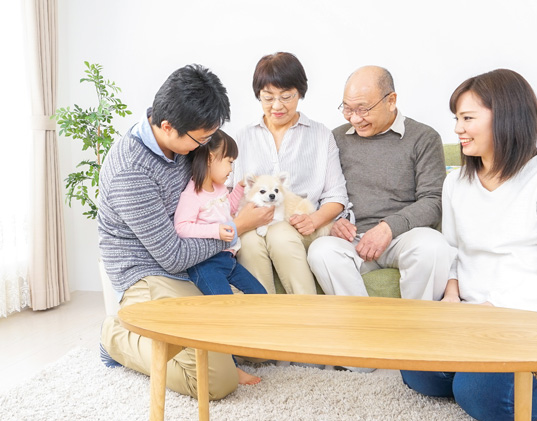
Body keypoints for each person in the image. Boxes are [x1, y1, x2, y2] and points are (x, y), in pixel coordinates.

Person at [400, 68, 537, 421]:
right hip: (477, 316)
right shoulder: (456, 182)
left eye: (468, 118)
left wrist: (492, 309)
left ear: (505, 118)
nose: (457, 128)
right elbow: (453, 250)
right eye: (456, 118)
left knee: (481, 398)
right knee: (416, 372)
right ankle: (492, 374)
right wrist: (452, 299)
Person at [98, 64, 273, 399]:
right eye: (201, 139)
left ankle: (182, 339)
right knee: (219, 383)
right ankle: (116, 336)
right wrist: (236, 228)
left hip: (195, 264)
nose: (204, 146)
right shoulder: (130, 171)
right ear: (167, 126)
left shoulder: (182, 144)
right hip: (148, 273)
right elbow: (172, 256)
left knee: (260, 340)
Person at [307, 66, 452, 303]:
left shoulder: (424, 138)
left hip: (403, 237)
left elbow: (434, 200)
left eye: (363, 109)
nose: (354, 118)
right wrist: (332, 222)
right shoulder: (336, 138)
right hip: (351, 240)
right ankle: (363, 329)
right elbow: (318, 192)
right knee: (321, 251)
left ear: (391, 101)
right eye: (347, 108)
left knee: (433, 247)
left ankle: (417, 328)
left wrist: (388, 228)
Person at [231, 52, 349, 295]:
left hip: (301, 224)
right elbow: (230, 190)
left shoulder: (320, 135)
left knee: (280, 233)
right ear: (258, 96)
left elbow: (337, 196)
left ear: (300, 93)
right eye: (268, 97)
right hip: (254, 225)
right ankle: (263, 321)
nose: (277, 106)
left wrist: (314, 220)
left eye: (286, 97)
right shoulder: (242, 137)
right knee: (250, 241)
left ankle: (306, 314)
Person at [174, 129, 266, 385]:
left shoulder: (219, 188)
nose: (231, 168)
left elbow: (228, 209)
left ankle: (262, 346)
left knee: (261, 297)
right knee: (224, 313)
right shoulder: (191, 195)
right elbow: (182, 227)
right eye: (229, 162)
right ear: (211, 158)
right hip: (206, 266)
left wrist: (238, 189)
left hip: (228, 260)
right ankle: (233, 368)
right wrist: (214, 231)